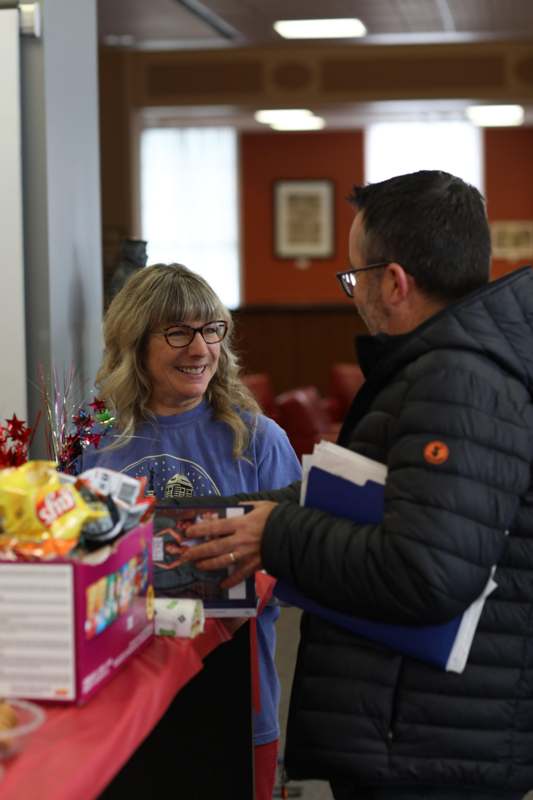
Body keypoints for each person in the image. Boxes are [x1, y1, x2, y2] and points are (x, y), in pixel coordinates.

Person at [178, 170, 533, 800]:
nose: (353, 294)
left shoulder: (457, 380)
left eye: (354, 277)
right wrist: (247, 514)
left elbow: (426, 571)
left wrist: (277, 531)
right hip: (422, 728)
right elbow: (375, 497)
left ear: (394, 282)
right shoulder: (443, 366)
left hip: (427, 744)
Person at [81, 262, 302, 800]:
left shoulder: (259, 441)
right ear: (135, 343)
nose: (199, 348)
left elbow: (301, 570)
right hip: (119, 708)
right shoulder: (91, 439)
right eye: (178, 332)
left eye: (211, 329)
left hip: (235, 702)